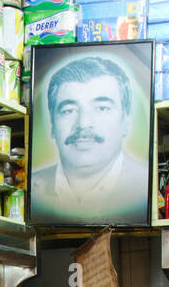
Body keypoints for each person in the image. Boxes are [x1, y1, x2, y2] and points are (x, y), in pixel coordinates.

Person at [30, 55, 150, 223]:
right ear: (52, 124)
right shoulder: (31, 193)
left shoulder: (144, 190)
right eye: (68, 111)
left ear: (126, 121)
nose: (83, 124)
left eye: (102, 108)